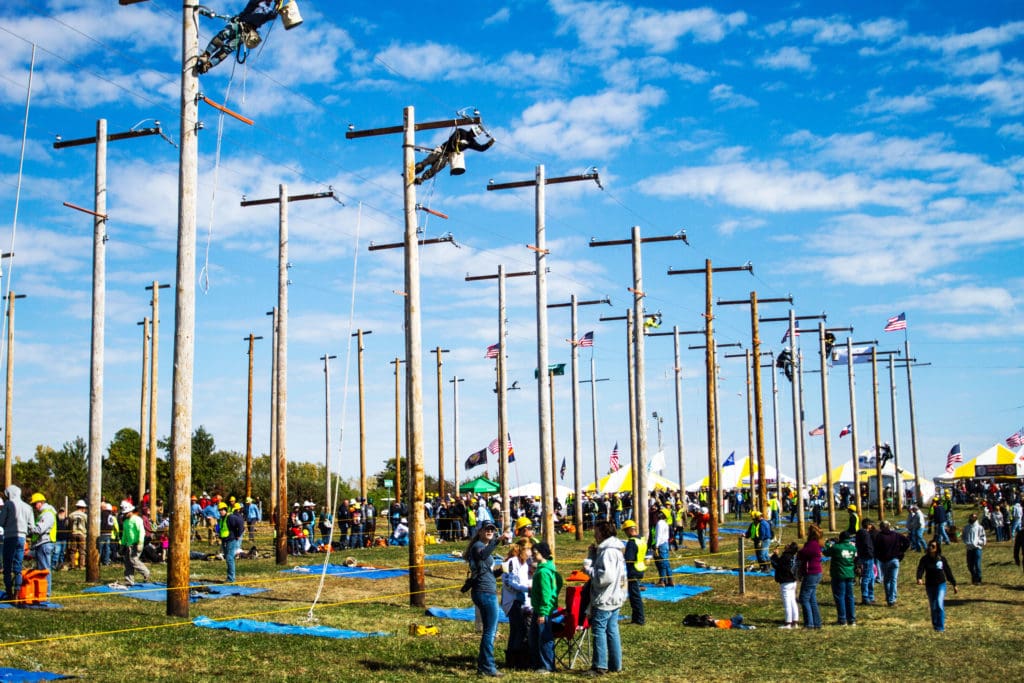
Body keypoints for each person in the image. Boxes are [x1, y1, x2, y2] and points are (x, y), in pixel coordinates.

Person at [464, 522, 508, 678]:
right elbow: (482, 555)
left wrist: (501, 570)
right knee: (490, 631)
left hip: (486, 589)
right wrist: (498, 540)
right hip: (484, 592)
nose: (490, 531)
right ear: (480, 531)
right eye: (487, 529)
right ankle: (487, 666)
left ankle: (484, 665)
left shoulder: (484, 549)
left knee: (490, 630)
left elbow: (487, 573)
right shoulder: (478, 547)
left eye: (492, 530)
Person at [584, 521, 626, 676]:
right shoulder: (614, 549)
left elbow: (604, 578)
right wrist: (593, 555)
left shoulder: (607, 551)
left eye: (596, 531)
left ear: (602, 532)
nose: (594, 534)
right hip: (616, 595)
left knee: (599, 630)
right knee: (612, 630)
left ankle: (599, 666)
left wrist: (589, 570)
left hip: (605, 597)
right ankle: (616, 664)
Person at [195, 0, 281, 75]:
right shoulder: (257, 3)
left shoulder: (268, 11)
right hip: (239, 24)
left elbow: (274, 15)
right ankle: (206, 55)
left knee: (227, 49)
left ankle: (208, 65)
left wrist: (278, 4)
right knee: (223, 35)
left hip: (245, 32)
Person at [414, 126, 495, 184]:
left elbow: (481, 148)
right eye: (472, 132)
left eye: (474, 134)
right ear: (470, 130)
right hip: (442, 149)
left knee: (435, 169)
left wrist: (489, 143)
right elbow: (452, 139)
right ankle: (414, 171)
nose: (472, 134)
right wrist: (455, 146)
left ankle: (421, 179)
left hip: (448, 156)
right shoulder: (461, 131)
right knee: (427, 161)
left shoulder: (471, 142)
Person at [528, 541, 562, 674]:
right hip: (543, 608)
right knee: (535, 636)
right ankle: (538, 663)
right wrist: (554, 595)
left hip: (543, 610)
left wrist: (542, 612)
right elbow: (558, 581)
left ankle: (547, 665)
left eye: (535, 553)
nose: (533, 555)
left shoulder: (542, 572)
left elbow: (545, 593)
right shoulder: (549, 568)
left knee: (544, 637)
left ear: (543, 554)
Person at [501, 538, 533, 671]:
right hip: (512, 601)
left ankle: (514, 659)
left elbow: (526, 580)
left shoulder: (526, 564)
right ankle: (516, 658)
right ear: (523, 550)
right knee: (519, 629)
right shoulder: (511, 562)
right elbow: (509, 583)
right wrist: (526, 588)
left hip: (523, 600)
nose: (531, 553)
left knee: (516, 630)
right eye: (529, 549)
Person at [0, 485, 33, 602]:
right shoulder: (28, 507)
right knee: (18, 566)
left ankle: (9, 592)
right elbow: (31, 526)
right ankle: (17, 593)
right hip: (22, 538)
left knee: (7, 565)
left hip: (10, 537)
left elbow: (1, 521)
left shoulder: (8, 505)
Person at [916, 539, 957, 632]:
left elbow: (947, 571)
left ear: (937, 548)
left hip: (940, 584)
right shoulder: (924, 559)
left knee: (939, 603)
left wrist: (954, 584)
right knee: (933, 606)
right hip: (930, 585)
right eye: (930, 545)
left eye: (933, 546)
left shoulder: (941, 559)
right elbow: (920, 569)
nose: (931, 547)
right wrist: (919, 578)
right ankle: (935, 625)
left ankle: (941, 627)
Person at [823, 531, 857, 626]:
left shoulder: (836, 547)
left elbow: (826, 552)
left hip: (839, 574)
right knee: (850, 597)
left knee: (840, 596)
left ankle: (842, 619)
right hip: (850, 574)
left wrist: (827, 543)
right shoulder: (853, 548)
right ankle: (852, 619)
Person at [873, 520, 910, 606]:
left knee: (887, 581)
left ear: (881, 527)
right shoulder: (896, 534)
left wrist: (879, 556)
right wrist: (901, 551)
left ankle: (889, 599)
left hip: (885, 561)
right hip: (895, 560)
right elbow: (907, 542)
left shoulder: (879, 536)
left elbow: (876, 548)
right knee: (894, 580)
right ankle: (892, 598)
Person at [29, 492, 57, 599]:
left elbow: (40, 529)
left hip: (45, 544)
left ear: (40, 503)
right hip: (42, 544)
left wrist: (30, 529)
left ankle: (46, 593)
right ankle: (42, 591)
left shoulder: (47, 514)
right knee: (42, 570)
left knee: (44, 570)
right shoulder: (43, 513)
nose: (34, 506)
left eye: (34, 504)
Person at [796, 524, 823, 629]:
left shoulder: (812, 545)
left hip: (812, 573)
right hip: (816, 572)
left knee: (804, 598)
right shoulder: (817, 544)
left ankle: (809, 623)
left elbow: (802, 553)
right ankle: (817, 622)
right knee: (812, 598)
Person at [621, 520, 646, 625]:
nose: (625, 534)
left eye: (625, 531)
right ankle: (637, 618)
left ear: (629, 530)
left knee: (635, 597)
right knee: (636, 595)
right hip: (640, 568)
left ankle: (639, 619)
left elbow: (629, 558)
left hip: (633, 571)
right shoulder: (641, 539)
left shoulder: (632, 542)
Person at [120, 501, 150, 586]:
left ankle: (146, 572)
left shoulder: (137, 519)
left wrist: (140, 543)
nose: (125, 515)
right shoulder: (126, 522)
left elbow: (141, 531)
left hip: (136, 543)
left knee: (133, 560)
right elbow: (125, 534)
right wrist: (122, 544)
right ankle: (129, 581)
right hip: (129, 545)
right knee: (128, 563)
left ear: (130, 511)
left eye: (126, 513)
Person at [770, 542, 800, 628]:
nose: (786, 545)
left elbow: (777, 565)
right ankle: (795, 621)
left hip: (786, 582)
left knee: (787, 602)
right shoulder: (793, 557)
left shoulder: (785, 556)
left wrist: (774, 555)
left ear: (790, 549)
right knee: (793, 601)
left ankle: (788, 623)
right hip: (793, 581)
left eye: (788, 545)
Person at [221, 502, 244, 583]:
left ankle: (231, 578)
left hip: (231, 540)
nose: (221, 511)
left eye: (222, 510)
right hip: (224, 540)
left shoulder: (231, 517)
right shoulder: (222, 518)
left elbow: (241, 524)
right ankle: (230, 577)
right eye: (219, 510)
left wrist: (238, 535)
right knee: (228, 558)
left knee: (229, 558)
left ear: (225, 510)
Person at [855, 518, 876, 605]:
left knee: (871, 576)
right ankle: (865, 597)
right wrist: (871, 554)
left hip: (863, 556)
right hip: (867, 557)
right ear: (868, 525)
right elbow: (867, 546)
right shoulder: (865, 534)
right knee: (867, 577)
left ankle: (870, 596)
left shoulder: (860, 533)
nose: (871, 526)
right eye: (870, 524)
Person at [961, 512, 986, 585]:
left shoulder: (980, 527)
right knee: (970, 565)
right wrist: (966, 541)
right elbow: (963, 536)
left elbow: (983, 538)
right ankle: (974, 577)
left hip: (977, 548)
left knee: (977, 564)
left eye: (973, 518)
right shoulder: (966, 527)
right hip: (969, 549)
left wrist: (978, 543)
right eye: (971, 518)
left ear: (976, 519)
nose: (971, 519)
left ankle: (978, 580)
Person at [653, 511, 673, 586]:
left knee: (662, 563)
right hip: (665, 544)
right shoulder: (665, 523)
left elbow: (659, 535)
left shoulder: (660, 523)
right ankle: (670, 580)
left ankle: (662, 581)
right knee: (666, 563)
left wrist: (656, 545)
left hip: (661, 544)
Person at [68, 499, 88, 570]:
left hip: (73, 533)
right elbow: (87, 524)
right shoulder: (85, 516)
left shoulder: (71, 515)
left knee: (72, 551)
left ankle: (72, 565)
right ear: (82, 508)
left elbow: (69, 524)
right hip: (82, 534)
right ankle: (81, 566)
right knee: (82, 551)